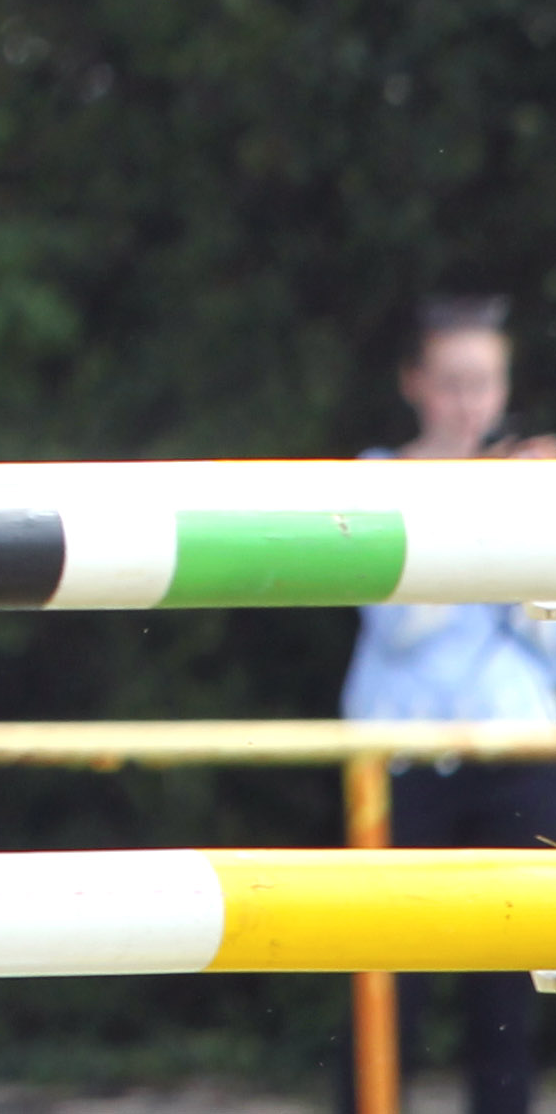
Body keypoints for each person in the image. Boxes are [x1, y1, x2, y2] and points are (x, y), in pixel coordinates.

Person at [344, 293, 556, 1114]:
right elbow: (400, 623)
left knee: (509, 999)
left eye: (486, 383)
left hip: (520, 757)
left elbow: (548, 638)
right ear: (414, 384)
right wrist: (478, 504)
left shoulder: (531, 483)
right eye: (453, 382)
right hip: (404, 760)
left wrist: (523, 515)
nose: (471, 403)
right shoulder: (374, 480)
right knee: (383, 978)